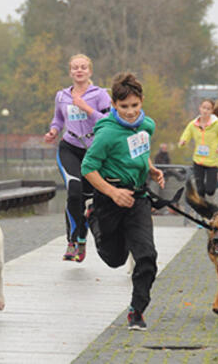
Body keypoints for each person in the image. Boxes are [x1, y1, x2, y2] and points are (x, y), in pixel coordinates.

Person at [81, 72, 165, 331]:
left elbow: (140, 149)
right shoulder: (107, 134)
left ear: (141, 102)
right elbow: (88, 167)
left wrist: (149, 168)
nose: (130, 112)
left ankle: (136, 310)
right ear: (114, 105)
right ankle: (92, 216)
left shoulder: (146, 126)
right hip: (109, 199)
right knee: (115, 258)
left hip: (138, 198)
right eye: (124, 106)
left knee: (147, 256)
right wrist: (112, 193)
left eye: (135, 105)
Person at [44, 54, 111, 262]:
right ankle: (72, 241)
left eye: (83, 67)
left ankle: (82, 238)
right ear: (70, 72)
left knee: (88, 198)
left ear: (90, 71)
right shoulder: (62, 95)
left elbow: (108, 121)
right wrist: (54, 131)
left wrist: (87, 108)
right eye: (75, 68)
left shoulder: (100, 94)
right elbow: (58, 118)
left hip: (94, 151)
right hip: (69, 147)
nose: (79, 71)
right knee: (74, 191)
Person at [178, 99, 218, 198]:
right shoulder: (193, 125)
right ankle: (203, 211)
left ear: (212, 111)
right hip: (198, 160)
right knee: (200, 190)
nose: (205, 111)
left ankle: (215, 183)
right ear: (199, 108)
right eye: (203, 108)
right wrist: (182, 142)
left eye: (208, 109)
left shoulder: (217, 125)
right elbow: (185, 136)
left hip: (212, 162)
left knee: (210, 191)